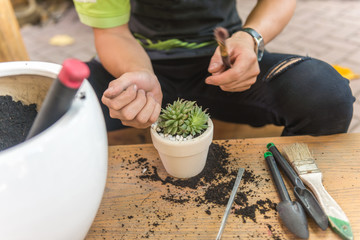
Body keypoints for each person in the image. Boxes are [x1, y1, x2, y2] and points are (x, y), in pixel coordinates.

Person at [73, 0, 355, 136]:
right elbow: (112, 33)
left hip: (223, 66)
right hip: (136, 67)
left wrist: (249, 39)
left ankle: (299, 186)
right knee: (47, 107)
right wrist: (139, 75)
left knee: (324, 93)